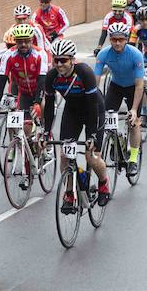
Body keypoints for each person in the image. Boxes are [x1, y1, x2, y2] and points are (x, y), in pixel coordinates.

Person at [42, 39, 111, 210]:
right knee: (65, 155)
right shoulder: (51, 76)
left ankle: (103, 183)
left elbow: (93, 105)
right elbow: (49, 107)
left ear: (72, 60)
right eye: (55, 60)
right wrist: (45, 133)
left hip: (93, 111)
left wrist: (93, 135)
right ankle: (70, 193)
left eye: (63, 60)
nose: (59, 64)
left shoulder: (84, 73)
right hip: (72, 112)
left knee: (91, 156)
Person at [94, 22, 144, 176]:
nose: (117, 43)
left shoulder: (135, 54)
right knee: (105, 117)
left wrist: (134, 109)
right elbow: (95, 82)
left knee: (133, 123)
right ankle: (116, 141)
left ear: (127, 39)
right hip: (115, 86)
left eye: (121, 39)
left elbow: (139, 85)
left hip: (133, 88)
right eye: (114, 39)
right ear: (110, 39)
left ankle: (134, 159)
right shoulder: (103, 54)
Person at [0, 24, 47, 142]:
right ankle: (27, 153)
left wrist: (37, 102)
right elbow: (1, 81)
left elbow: (42, 80)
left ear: (32, 40)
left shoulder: (40, 54)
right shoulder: (8, 55)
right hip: (24, 92)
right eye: (20, 42)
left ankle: (46, 137)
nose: (23, 45)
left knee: (43, 112)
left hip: (40, 90)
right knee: (26, 130)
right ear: (15, 41)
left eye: (26, 41)